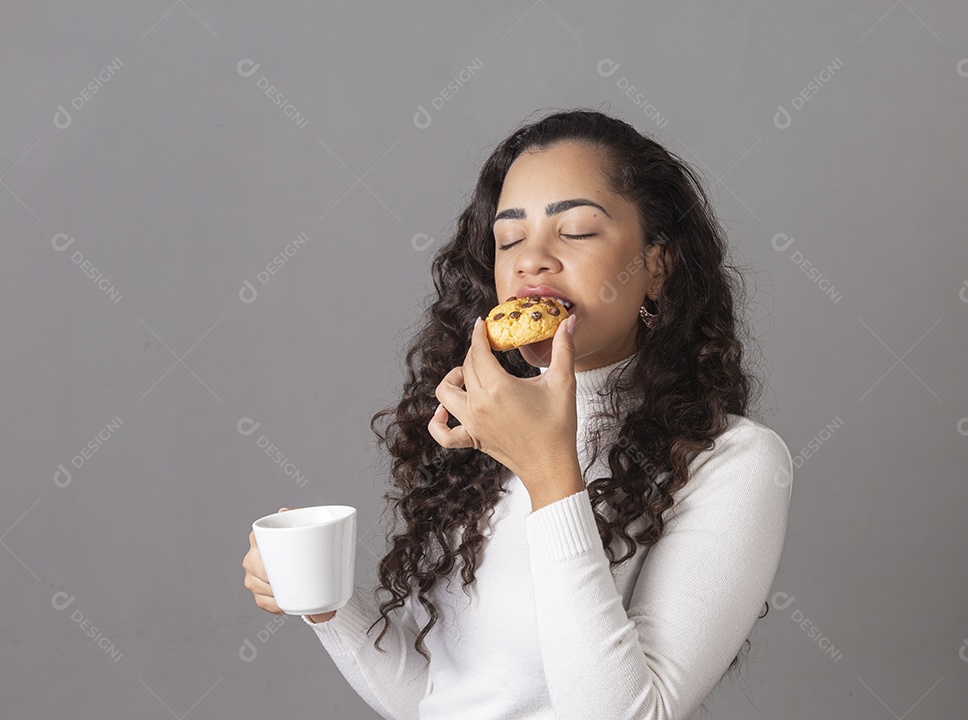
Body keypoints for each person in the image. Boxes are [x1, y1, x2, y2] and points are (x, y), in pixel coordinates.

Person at [242, 107, 795, 719]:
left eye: (577, 231)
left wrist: (548, 471)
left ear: (656, 267)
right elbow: (444, 702)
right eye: (509, 240)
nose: (532, 260)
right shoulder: (480, 439)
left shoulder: (733, 461)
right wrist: (328, 606)